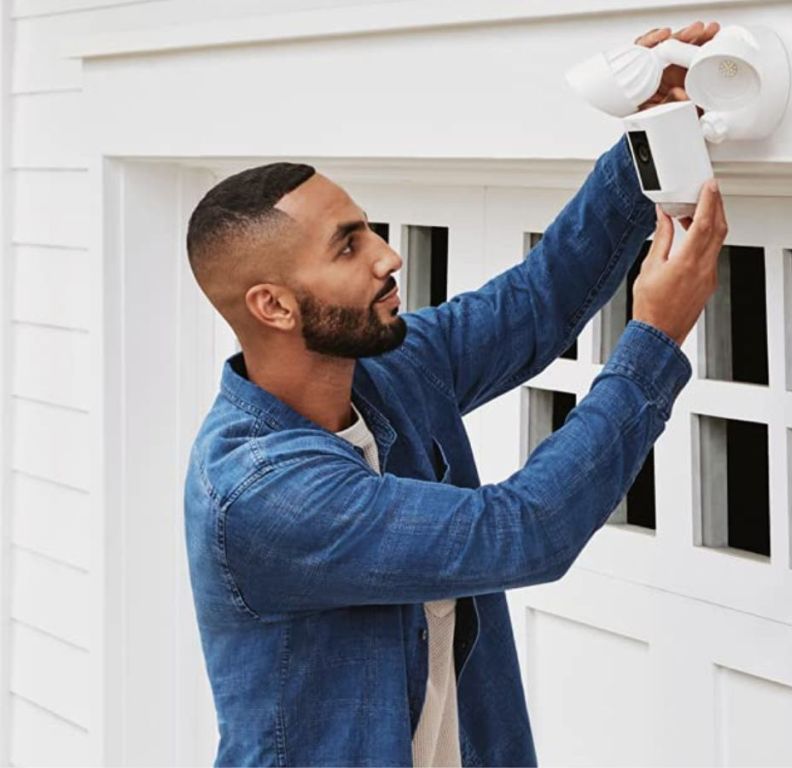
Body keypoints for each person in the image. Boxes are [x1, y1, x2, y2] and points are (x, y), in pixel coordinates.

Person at [184, 20, 726, 768]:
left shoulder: (391, 370)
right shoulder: (262, 495)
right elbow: (522, 531)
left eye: (368, 229)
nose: (387, 255)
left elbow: (539, 300)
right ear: (272, 306)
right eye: (348, 245)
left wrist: (652, 136)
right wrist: (654, 339)